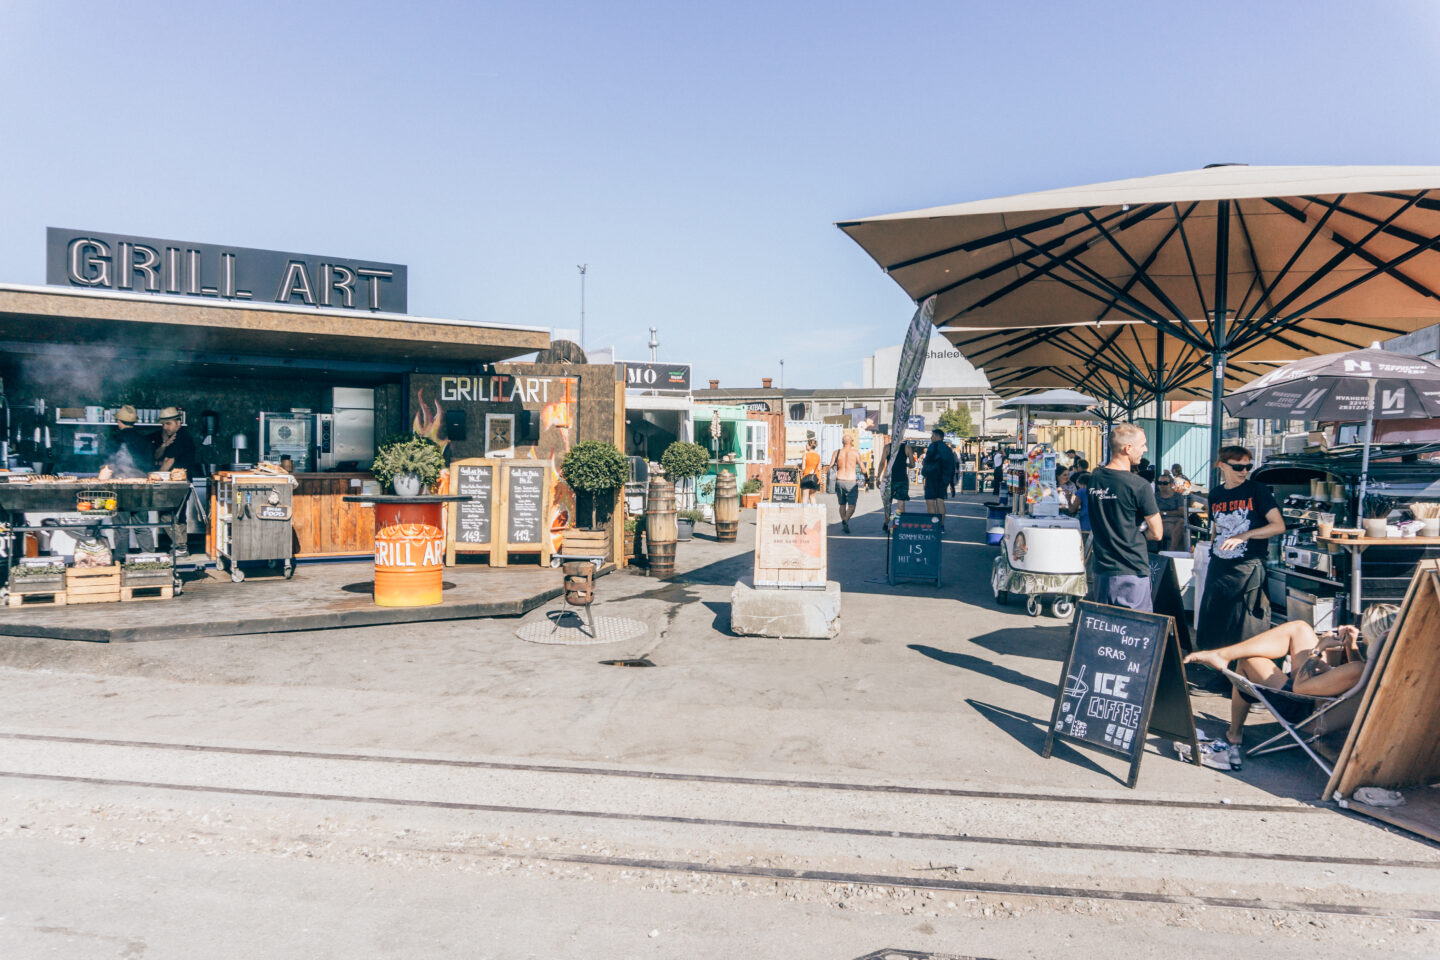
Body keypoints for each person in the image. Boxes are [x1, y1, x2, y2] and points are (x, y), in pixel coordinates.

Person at [1183, 604, 1399, 770]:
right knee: (1300, 628)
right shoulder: (1388, 663)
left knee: (1247, 661)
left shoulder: (1357, 670)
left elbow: (1299, 687)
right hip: (1327, 701)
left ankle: (1234, 731)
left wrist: (1318, 649)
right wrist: (1350, 646)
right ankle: (1221, 656)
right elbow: (1358, 678)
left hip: (1306, 710)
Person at [1194, 446, 1286, 652]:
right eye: (1238, 467)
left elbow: (1278, 525)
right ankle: (1217, 669)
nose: (1244, 471)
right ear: (1222, 466)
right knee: (1215, 620)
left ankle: (1243, 671)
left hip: (1248, 565)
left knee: (1245, 624)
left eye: (1248, 466)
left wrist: (1244, 535)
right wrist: (1212, 546)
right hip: (1219, 565)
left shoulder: (1257, 490)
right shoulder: (1216, 494)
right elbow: (1216, 526)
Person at [1086, 423, 1162, 610]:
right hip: (1131, 568)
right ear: (1128, 448)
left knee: (1106, 626)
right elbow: (1158, 533)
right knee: (1134, 631)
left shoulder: (1095, 478)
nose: (1145, 449)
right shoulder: (1139, 485)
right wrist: (1139, 536)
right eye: (1142, 444)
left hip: (1102, 567)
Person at [98, 405, 157, 552]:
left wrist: (101, 477)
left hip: (120, 487)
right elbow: (150, 465)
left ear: (119, 421)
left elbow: (109, 465)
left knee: (120, 527)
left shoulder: (115, 439)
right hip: (141, 486)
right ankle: (149, 556)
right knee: (142, 526)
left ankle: (121, 559)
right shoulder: (145, 440)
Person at [921, 428, 955, 526]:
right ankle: (941, 526)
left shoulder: (933, 446)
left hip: (932, 478)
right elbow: (952, 465)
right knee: (940, 501)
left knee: (930, 501)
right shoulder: (948, 449)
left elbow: (927, 461)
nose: (931, 438)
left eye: (932, 436)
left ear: (937, 436)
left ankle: (933, 525)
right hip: (944, 479)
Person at [830, 433, 862, 534]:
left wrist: (837, 466)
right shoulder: (855, 452)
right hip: (851, 482)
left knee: (842, 504)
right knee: (852, 506)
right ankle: (845, 520)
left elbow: (831, 466)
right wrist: (867, 476)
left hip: (839, 481)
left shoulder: (837, 452)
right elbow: (862, 467)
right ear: (851, 442)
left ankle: (844, 523)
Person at [152, 406, 197, 475]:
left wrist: (155, 478)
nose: (164, 427)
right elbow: (156, 456)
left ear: (178, 423)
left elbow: (168, 461)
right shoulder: (172, 437)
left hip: (181, 481)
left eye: (168, 423)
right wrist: (164, 445)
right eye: (163, 424)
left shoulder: (181, 436)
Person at [881, 438, 910, 532]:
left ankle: (886, 523)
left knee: (887, 503)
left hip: (889, 479)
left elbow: (882, 463)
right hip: (902, 479)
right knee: (901, 503)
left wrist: (878, 477)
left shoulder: (887, 447)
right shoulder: (907, 447)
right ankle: (900, 526)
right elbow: (913, 464)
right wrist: (906, 465)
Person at [1154, 474, 1188, 551]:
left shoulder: (1178, 496)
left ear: (1171, 484)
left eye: (1165, 483)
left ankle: (1171, 551)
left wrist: (1164, 513)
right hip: (1162, 523)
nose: (1162, 485)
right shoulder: (1155, 497)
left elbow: (1182, 512)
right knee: (1181, 531)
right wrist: (1173, 513)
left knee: (1181, 524)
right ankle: (1172, 552)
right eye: (1159, 483)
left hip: (1176, 522)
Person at [799, 437, 822, 504]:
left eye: (807, 444)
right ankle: (814, 512)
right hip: (815, 477)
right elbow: (819, 468)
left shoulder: (805, 455)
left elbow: (803, 468)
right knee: (812, 496)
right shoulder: (818, 456)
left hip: (806, 476)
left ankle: (804, 512)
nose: (806, 445)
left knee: (805, 496)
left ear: (810, 446)